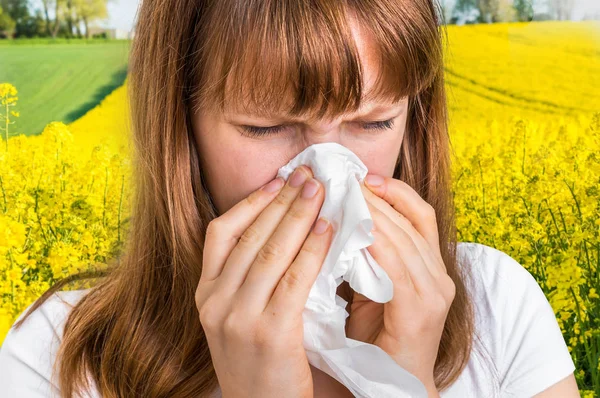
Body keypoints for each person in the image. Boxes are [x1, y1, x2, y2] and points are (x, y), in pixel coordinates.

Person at [0, 0, 579, 397]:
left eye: (374, 122)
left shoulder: (498, 307)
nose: (326, 180)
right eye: (264, 127)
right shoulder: (60, 354)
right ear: (182, 127)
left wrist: (402, 384)